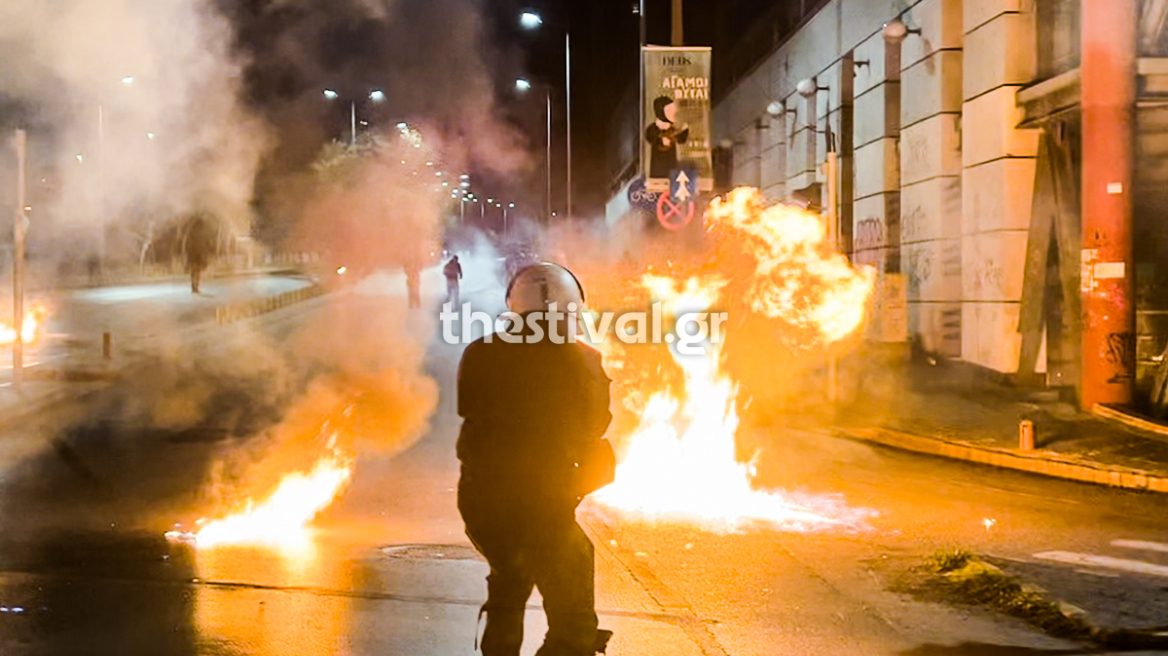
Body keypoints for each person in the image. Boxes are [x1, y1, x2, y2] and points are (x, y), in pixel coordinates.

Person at [457, 263, 615, 656]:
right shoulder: (583, 359)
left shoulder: (480, 351)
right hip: (544, 506)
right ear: (571, 309)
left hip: (482, 504)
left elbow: (471, 413)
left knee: (509, 587)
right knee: (574, 625)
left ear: (514, 305)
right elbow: (594, 427)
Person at [645, 96, 689, 179]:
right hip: (657, 172)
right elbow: (650, 136)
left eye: (674, 110)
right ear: (661, 112)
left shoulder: (673, 129)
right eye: (669, 110)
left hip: (672, 172)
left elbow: (681, 139)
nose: (673, 113)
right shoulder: (654, 128)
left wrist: (684, 131)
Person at [186, 215, 213, 294]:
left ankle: (195, 287)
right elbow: (203, 245)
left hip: (196, 254)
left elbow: (191, 245)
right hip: (197, 254)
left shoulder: (193, 234)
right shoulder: (198, 235)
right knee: (196, 271)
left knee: (195, 271)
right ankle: (195, 287)